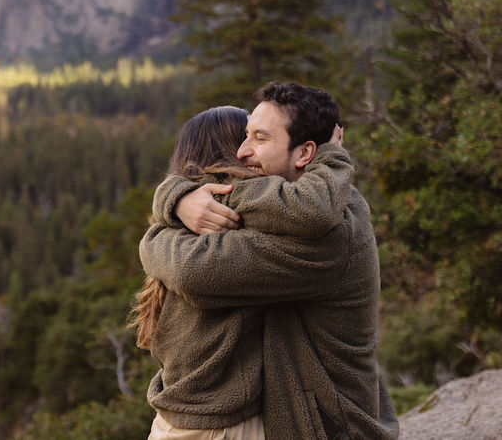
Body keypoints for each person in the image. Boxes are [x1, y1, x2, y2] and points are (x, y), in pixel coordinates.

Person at [141, 82, 399, 440]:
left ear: (305, 153)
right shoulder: (281, 216)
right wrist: (177, 198)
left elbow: (192, 270)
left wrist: (172, 203)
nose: (244, 153)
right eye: (243, 139)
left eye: (259, 139)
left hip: (328, 428)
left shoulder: (329, 231)